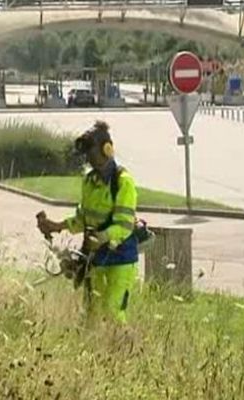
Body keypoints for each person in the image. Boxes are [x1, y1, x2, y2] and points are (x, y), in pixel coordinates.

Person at [37, 120, 139, 323]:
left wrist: (102, 237)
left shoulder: (123, 182)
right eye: (86, 157)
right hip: (97, 257)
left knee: (112, 310)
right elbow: (84, 218)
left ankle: (122, 350)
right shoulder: (89, 182)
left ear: (107, 149)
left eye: (91, 155)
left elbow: (124, 226)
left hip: (122, 257)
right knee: (92, 310)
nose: (89, 161)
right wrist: (57, 226)